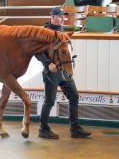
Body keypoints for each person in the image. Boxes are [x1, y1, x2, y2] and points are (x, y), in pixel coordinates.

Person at [35, 7, 91, 139]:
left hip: (64, 70)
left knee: (74, 97)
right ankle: (43, 130)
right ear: (52, 17)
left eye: (63, 17)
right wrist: (48, 63)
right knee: (49, 101)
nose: (62, 19)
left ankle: (75, 128)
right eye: (59, 16)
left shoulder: (61, 30)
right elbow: (37, 51)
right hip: (52, 72)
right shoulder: (44, 32)